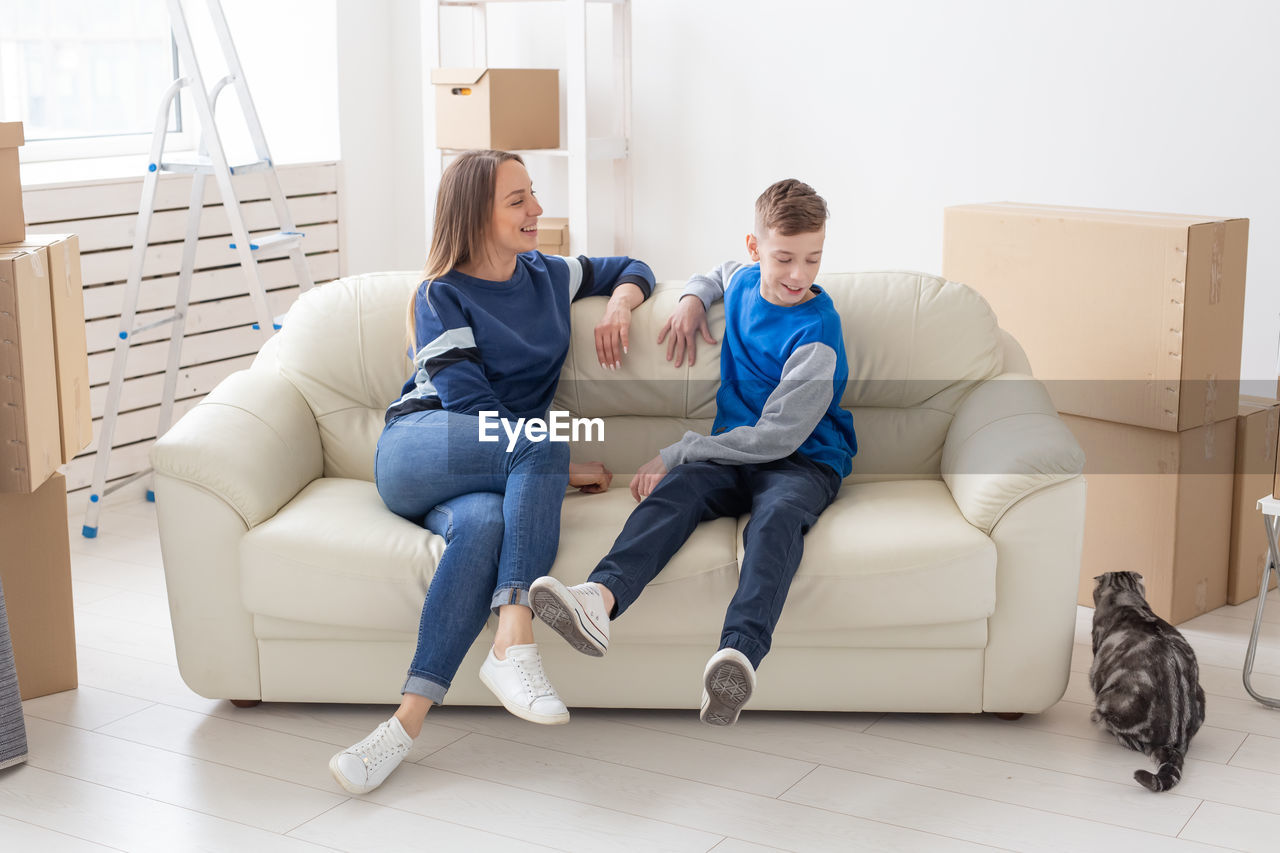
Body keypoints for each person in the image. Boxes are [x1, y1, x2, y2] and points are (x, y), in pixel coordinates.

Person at [329, 150, 654, 793]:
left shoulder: (547, 276)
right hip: (420, 447)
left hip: (489, 475)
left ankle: (400, 728)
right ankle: (514, 638)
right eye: (518, 200)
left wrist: (619, 307)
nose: (537, 210)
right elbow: (473, 410)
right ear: (477, 213)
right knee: (545, 440)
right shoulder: (439, 294)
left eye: (533, 195)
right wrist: (554, 468)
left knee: (481, 530)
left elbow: (631, 266)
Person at [529, 178, 855, 726]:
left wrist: (682, 449)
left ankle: (738, 655)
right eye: (784, 258)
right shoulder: (746, 279)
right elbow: (717, 273)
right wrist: (690, 300)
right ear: (756, 250)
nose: (799, 275)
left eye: (813, 260)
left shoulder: (819, 332)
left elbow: (778, 436)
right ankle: (599, 601)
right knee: (675, 494)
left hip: (803, 459)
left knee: (773, 523)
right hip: (732, 456)